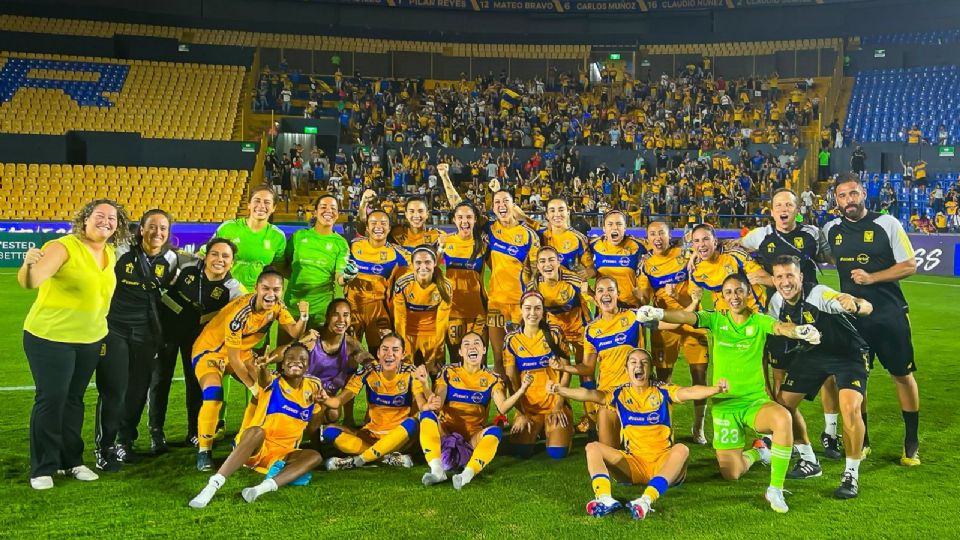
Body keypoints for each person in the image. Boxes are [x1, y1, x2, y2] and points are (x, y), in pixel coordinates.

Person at [637, 273, 823, 513]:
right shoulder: (716, 320)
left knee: (782, 418)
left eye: (739, 291)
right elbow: (686, 316)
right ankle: (759, 451)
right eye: (728, 292)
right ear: (722, 297)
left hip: (754, 402)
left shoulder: (758, 321)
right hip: (725, 405)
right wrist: (659, 313)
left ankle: (775, 489)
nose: (734, 297)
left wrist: (800, 331)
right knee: (731, 473)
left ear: (747, 293)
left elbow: (780, 327)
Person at [20, 199, 129, 490]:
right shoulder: (64, 246)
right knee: (51, 399)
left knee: (73, 400)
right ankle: (43, 466)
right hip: (51, 337)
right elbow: (32, 281)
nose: (106, 221)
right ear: (85, 219)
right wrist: (28, 265)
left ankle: (72, 461)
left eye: (113, 218)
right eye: (100, 215)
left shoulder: (109, 252)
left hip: (90, 339)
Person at [549, 349, 727, 520]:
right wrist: (560, 390)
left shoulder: (663, 391)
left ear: (650, 368)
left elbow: (689, 392)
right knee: (592, 447)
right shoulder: (619, 394)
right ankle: (604, 498)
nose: (639, 366)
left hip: (663, 463)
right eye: (633, 362)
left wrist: (715, 389)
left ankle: (646, 500)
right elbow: (589, 394)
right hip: (634, 464)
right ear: (626, 370)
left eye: (644, 363)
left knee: (681, 449)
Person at [738, 189, 842, 460]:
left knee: (827, 375)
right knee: (780, 375)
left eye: (789, 204)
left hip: (813, 310)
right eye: (778, 205)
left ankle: (831, 434)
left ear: (797, 209)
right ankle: (782, 433)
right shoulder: (760, 236)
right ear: (771, 210)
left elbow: (829, 257)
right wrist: (757, 274)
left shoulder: (812, 233)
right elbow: (735, 250)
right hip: (777, 315)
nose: (783, 209)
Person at [823, 174, 920, 465]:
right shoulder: (831, 229)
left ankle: (911, 441)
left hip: (889, 316)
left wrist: (871, 278)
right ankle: (862, 440)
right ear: (836, 200)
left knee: (901, 375)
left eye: (853, 193)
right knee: (855, 380)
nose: (848, 200)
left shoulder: (887, 223)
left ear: (863, 194)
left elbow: (910, 265)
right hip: (852, 319)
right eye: (842, 195)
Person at [767, 256, 871, 498]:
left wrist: (856, 304)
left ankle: (851, 475)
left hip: (848, 354)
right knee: (783, 407)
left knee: (849, 408)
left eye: (790, 275)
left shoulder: (819, 294)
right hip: (813, 354)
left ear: (801, 277)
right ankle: (809, 461)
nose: (785, 282)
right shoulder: (775, 302)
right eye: (780, 277)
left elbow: (864, 306)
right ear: (773, 280)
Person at [192, 268, 309, 471]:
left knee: (268, 389)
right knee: (214, 394)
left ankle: (241, 441)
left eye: (276, 289)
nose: (270, 294)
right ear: (256, 288)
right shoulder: (240, 315)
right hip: (211, 351)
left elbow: (295, 333)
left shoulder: (277, 306)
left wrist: (304, 316)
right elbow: (234, 360)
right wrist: (252, 386)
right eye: (265, 288)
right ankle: (204, 451)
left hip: (240, 351)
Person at [92, 209, 180, 472]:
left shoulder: (171, 258)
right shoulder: (120, 251)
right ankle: (103, 447)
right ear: (141, 229)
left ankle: (125, 443)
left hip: (146, 333)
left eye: (163, 228)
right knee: (113, 388)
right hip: (115, 328)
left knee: (138, 389)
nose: (157, 233)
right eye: (152, 227)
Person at [188, 344, 324, 508]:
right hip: (255, 447)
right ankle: (212, 486)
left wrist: (321, 406)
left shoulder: (314, 387)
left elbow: (314, 425)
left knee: (315, 456)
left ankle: (260, 489)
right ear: (282, 364)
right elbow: (264, 379)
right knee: (256, 431)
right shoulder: (273, 381)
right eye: (291, 358)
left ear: (308, 365)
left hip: (282, 454)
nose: (297, 362)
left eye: (302, 359)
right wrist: (262, 368)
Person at [440, 163, 538, 381]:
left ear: (514, 205)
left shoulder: (528, 234)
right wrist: (444, 177)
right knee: (498, 357)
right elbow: (461, 208)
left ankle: (528, 407)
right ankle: (504, 411)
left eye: (506, 202)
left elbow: (536, 271)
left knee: (525, 356)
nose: (502, 206)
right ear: (492, 208)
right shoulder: (490, 230)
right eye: (497, 203)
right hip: (495, 304)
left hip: (521, 305)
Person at [153, 238, 245, 449]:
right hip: (165, 333)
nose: (219, 260)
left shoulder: (233, 288)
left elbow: (249, 309)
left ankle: (194, 432)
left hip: (197, 340)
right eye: (215, 254)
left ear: (232, 262)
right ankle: (156, 433)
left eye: (225, 256)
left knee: (195, 383)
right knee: (159, 382)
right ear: (206, 255)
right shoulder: (186, 265)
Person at [420, 332, 534, 489]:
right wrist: (426, 387)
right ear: (460, 352)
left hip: (472, 440)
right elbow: (437, 405)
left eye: (476, 344)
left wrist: (522, 390)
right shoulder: (448, 373)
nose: (471, 347)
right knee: (426, 415)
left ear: (484, 350)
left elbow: (502, 407)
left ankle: (466, 475)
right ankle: (437, 470)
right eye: (466, 344)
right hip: (446, 434)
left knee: (495, 431)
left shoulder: (492, 378)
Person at [637, 221, 710, 444]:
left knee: (699, 376)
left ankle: (699, 427)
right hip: (665, 327)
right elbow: (644, 297)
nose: (657, 237)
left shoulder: (686, 256)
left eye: (662, 233)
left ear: (670, 236)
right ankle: (665, 426)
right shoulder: (647, 265)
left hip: (692, 323)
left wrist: (680, 296)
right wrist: (637, 297)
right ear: (648, 239)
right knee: (663, 379)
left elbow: (694, 296)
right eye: (652, 234)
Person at [551, 276, 645, 446]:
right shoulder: (591, 331)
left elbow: (667, 324)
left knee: (642, 449)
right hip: (608, 395)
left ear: (618, 293)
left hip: (637, 391)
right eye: (600, 290)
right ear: (596, 297)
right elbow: (587, 368)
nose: (605, 294)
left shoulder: (634, 316)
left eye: (610, 289)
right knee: (609, 452)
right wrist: (565, 368)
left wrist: (693, 308)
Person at [321, 334, 428, 469]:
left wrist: (426, 388)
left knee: (414, 423)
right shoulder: (368, 372)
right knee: (328, 431)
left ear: (403, 354)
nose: (389, 354)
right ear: (378, 353)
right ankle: (385, 458)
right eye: (385, 349)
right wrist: (324, 398)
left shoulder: (411, 373)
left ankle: (358, 460)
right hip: (371, 435)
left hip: (400, 438)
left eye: (395, 350)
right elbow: (338, 402)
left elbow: (422, 405)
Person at [503, 292, 575, 458]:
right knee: (521, 452)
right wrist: (521, 413)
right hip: (529, 409)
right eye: (528, 308)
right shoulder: (511, 340)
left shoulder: (555, 333)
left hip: (554, 404)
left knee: (557, 453)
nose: (532, 313)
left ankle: (564, 430)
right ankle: (539, 428)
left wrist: (558, 404)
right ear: (521, 310)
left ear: (543, 311)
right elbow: (511, 380)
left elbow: (566, 371)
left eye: (537, 308)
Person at [284, 194, 355, 334]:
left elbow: (340, 278)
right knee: (286, 353)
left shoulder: (340, 243)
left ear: (337, 214)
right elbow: (285, 265)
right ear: (315, 212)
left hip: (321, 310)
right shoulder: (298, 237)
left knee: (317, 354)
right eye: (323, 207)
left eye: (333, 208)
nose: (328, 211)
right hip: (292, 306)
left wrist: (347, 276)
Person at [300, 300, 374, 426]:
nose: (341, 320)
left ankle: (332, 426)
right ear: (328, 317)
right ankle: (312, 434)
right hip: (303, 394)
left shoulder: (351, 345)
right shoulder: (314, 336)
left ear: (350, 318)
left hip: (326, 398)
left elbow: (370, 363)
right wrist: (300, 343)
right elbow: (287, 355)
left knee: (333, 413)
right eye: (336, 315)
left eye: (346, 315)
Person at [346, 209, 407, 352]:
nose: (378, 226)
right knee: (349, 355)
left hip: (379, 309)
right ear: (367, 228)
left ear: (389, 228)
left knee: (380, 354)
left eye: (383, 223)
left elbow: (423, 264)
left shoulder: (397, 253)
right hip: (352, 307)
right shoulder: (353, 246)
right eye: (373, 223)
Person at [208, 185, 286, 292]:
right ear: (249, 204)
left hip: (257, 296)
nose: (261, 206)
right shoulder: (228, 228)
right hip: (225, 292)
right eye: (257, 201)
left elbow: (278, 267)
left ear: (273, 208)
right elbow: (205, 255)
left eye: (267, 202)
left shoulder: (277, 236)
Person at [439, 202, 487, 362]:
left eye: (469, 217)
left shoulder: (483, 245)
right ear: (454, 219)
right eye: (460, 217)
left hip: (477, 312)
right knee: (455, 359)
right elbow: (430, 268)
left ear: (475, 220)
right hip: (453, 311)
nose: (464, 221)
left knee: (479, 360)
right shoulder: (445, 242)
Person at [392, 246, 452, 374]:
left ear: (435, 263)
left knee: (437, 376)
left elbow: (442, 322)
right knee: (408, 379)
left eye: (428, 262)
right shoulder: (402, 284)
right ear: (412, 264)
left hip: (433, 336)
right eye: (418, 263)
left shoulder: (445, 286)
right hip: (408, 336)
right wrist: (402, 346)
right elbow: (400, 319)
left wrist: (437, 349)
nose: (423, 267)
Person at [688, 224, 770, 312]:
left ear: (715, 241)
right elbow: (693, 294)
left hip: (752, 311)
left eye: (706, 239)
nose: (701, 244)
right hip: (724, 317)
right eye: (697, 241)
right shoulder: (694, 266)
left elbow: (766, 278)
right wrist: (695, 295)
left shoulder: (734, 255)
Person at [590, 210, 647, 309]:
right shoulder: (594, 245)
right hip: (604, 307)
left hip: (630, 307)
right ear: (604, 228)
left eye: (619, 224)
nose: (615, 227)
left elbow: (658, 249)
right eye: (610, 224)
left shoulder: (638, 245)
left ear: (625, 228)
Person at [539, 197, 596, 278]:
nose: (557, 214)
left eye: (561, 210)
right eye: (552, 211)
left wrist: (592, 271)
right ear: (547, 215)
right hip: (545, 289)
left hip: (570, 289)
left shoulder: (578, 238)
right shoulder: (539, 235)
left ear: (568, 212)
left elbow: (590, 269)